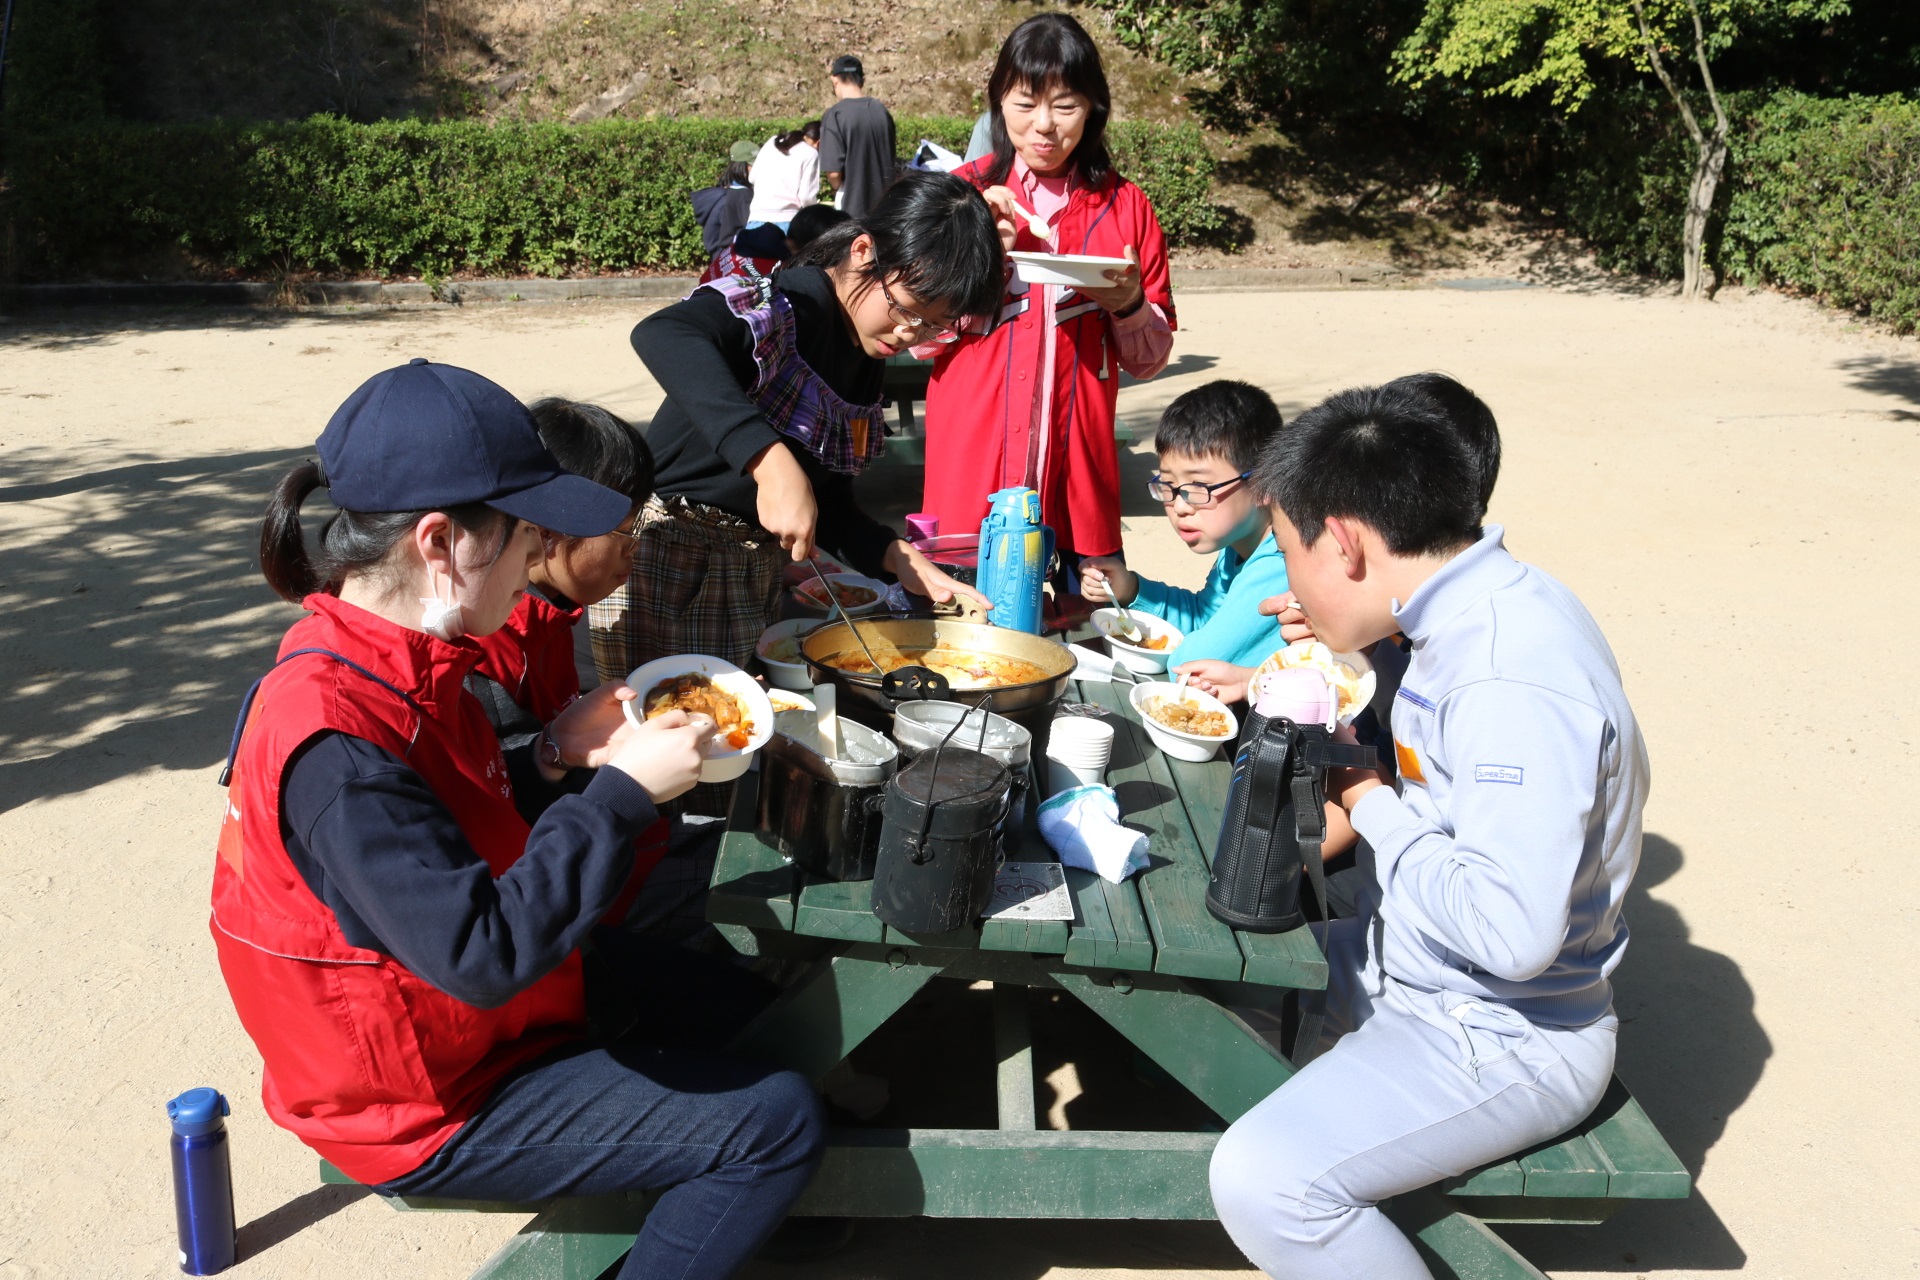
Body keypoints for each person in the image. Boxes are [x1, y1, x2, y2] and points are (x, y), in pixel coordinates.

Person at [211, 359, 824, 1278]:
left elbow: (448, 823)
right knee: (776, 1122)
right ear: (438, 542)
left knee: (753, 1015)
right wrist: (622, 791)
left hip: (462, 1017)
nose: (537, 556)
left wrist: (547, 754)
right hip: (418, 1093)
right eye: (522, 532)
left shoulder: (405, 657)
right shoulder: (332, 736)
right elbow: (482, 955)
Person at [1206, 377, 1648, 1279]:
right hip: (1411, 963)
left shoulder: (1506, 679)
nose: (1287, 586)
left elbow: (1511, 935)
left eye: (1290, 556)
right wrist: (1364, 646)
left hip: (1501, 1033)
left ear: (1346, 542)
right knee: (1209, 973)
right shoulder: (1475, 611)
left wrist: (1369, 797)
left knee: (1265, 1180)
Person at [590, 171, 1005, 813]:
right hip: (671, 557)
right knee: (666, 758)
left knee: (721, 752)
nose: (909, 337)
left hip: (745, 573)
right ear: (865, 252)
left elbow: (829, 502)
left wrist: (901, 559)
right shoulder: (788, 302)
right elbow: (664, 334)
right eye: (905, 311)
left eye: (933, 327)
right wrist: (768, 458)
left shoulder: (862, 355)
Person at [919, 13, 1175, 599]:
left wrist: (1130, 303)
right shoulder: (961, 197)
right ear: (998, 101)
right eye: (1024, 102)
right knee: (963, 640)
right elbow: (913, 335)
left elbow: (1151, 360)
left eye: (1064, 106)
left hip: (1078, 484)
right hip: (969, 472)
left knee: (1073, 643)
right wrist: (972, 266)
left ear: (1093, 109)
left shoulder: (1126, 208)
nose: (1043, 127)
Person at [1078, 381, 1292, 670]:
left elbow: (1194, 661)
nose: (1179, 506)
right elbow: (1205, 618)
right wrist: (1131, 589)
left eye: (1199, 486)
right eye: (1168, 485)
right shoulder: (1240, 543)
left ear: (1262, 482)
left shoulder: (1282, 564)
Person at [818, 55, 896, 218]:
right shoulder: (881, 111)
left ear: (835, 80)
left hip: (852, 210)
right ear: (862, 80)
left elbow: (834, 174)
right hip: (886, 209)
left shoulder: (835, 115)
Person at [748, 121, 822, 229]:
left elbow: (752, 177)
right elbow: (806, 198)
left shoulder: (772, 142)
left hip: (756, 218)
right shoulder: (811, 153)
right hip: (786, 222)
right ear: (819, 143)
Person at [691, 141, 758, 256]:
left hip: (721, 265)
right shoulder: (740, 197)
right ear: (741, 167)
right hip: (734, 265)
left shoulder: (724, 194)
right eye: (754, 165)